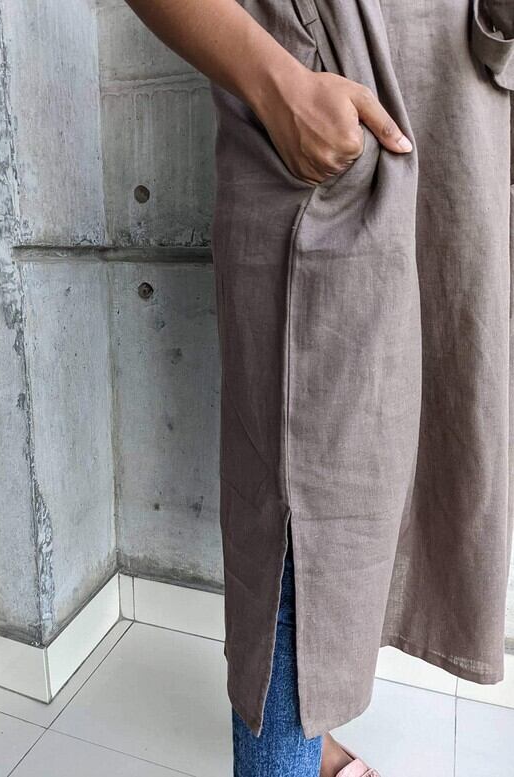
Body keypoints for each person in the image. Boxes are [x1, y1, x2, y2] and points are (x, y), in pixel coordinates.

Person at [124, 1, 514, 775]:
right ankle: (285, 758)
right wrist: (276, 84)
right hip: (320, 101)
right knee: (306, 501)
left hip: (464, 122)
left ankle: (306, 738)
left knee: (417, 457)